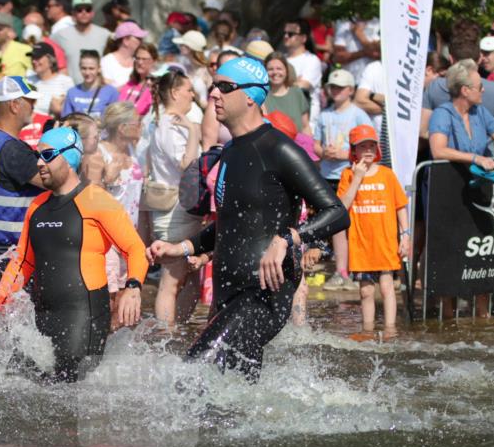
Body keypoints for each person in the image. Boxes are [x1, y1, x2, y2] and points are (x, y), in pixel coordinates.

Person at [147, 57, 349, 380]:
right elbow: (230, 225)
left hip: (264, 293)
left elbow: (336, 213)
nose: (213, 93)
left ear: (252, 96)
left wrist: (287, 239)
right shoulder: (230, 151)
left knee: (193, 375)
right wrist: (182, 247)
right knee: (230, 403)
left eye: (224, 87)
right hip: (228, 294)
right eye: (213, 86)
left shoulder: (279, 149)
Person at [0, 127, 146, 382]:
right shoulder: (37, 207)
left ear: (70, 158)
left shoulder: (97, 200)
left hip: (85, 315)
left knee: (69, 391)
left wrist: (133, 287)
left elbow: (135, 248)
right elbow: (23, 262)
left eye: (47, 155)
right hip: (45, 314)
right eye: (38, 155)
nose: (39, 163)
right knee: (29, 380)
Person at [428, 59, 494, 318]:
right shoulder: (443, 113)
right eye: (479, 86)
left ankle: (482, 316)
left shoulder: (480, 113)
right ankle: (447, 318)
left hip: (479, 194)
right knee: (451, 252)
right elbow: (438, 150)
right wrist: (476, 158)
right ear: (464, 90)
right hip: (449, 194)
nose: (484, 91)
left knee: (482, 251)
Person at [337, 125, 410, 339]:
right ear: (354, 150)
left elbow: (400, 206)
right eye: (362, 146)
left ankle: (390, 330)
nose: (368, 150)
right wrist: (357, 178)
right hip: (361, 244)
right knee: (366, 291)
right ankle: (367, 331)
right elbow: (343, 206)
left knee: (388, 288)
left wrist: (405, 235)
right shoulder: (348, 175)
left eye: (372, 145)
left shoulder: (387, 174)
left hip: (385, 242)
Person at [0, 76, 44, 292]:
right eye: (30, 102)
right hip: (13, 248)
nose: (34, 107)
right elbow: (53, 181)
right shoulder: (12, 150)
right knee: (20, 316)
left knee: (2, 310)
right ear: (14, 105)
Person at [146, 70, 203, 325]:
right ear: (174, 92)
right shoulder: (170, 125)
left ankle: (176, 335)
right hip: (173, 211)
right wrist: (192, 131)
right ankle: (165, 340)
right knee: (171, 281)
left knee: (191, 281)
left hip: (182, 209)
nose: (193, 94)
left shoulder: (164, 122)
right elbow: (186, 165)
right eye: (189, 89)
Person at [313, 68, 372, 292]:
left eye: (340, 88)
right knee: (336, 225)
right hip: (329, 175)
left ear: (350, 90)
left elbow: (370, 144)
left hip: (351, 173)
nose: (335, 91)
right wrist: (323, 153)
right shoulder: (325, 115)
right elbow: (316, 143)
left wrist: (347, 155)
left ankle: (362, 269)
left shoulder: (358, 114)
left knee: (356, 223)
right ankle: (341, 271)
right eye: (332, 87)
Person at [99, 102, 145, 318]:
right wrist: (107, 178)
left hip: (129, 238)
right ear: (122, 128)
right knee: (108, 300)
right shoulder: (99, 153)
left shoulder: (133, 150)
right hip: (106, 239)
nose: (141, 126)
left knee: (126, 305)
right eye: (137, 122)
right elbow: (88, 194)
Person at [56, 0, 112, 85]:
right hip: (70, 89)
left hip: (97, 89)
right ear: (73, 14)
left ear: (92, 13)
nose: (84, 12)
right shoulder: (60, 35)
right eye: (79, 10)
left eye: (88, 9)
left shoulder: (105, 34)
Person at [282, 19, 323, 125]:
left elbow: (303, 86)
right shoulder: (281, 60)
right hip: (283, 119)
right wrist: (294, 81)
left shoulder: (312, 60)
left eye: (291, 34)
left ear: (304, 38)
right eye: (285, 33)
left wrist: (279, 84)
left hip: (306, 123)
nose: (286, 36)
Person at [63, 50, 119, 119]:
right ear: (79, 68)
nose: (87, 73)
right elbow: (66, 119)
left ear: (99, 69)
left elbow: (116, 120)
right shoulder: (72, 92)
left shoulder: (111, 92)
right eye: (84, 68)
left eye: (91, 68)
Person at [264, 52, 310, 135]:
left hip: (297, 144)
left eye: (279, 68)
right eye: (270, 69)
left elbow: (305, 126)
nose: (275, 72)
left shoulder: (296, 92)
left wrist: (309, 146)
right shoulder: (262, 95)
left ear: (286, 71)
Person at [27, 42, 74, 118]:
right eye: (32, 57)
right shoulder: (27, 80)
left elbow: (71, 113)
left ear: (50, 59)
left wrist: (58, 110)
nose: (33, 61)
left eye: (38, 58)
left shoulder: (66, 82)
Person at [101, 21, 147, 87]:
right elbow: (107, 92)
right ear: (126, 41)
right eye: (138, 38)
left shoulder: (138, 62)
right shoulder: (106, 62)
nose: (141, 42)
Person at [118, 43, 158, 116]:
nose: (140, 62)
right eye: (137, 58)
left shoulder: (156, 87)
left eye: (144, 59)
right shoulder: (130, 84)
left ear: (154, 61)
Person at [172, 30, 211, 104]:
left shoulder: (207, 70)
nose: (180, 46)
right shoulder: (183, 67)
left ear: (191, 47)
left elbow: (211, 101)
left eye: (183, 44)